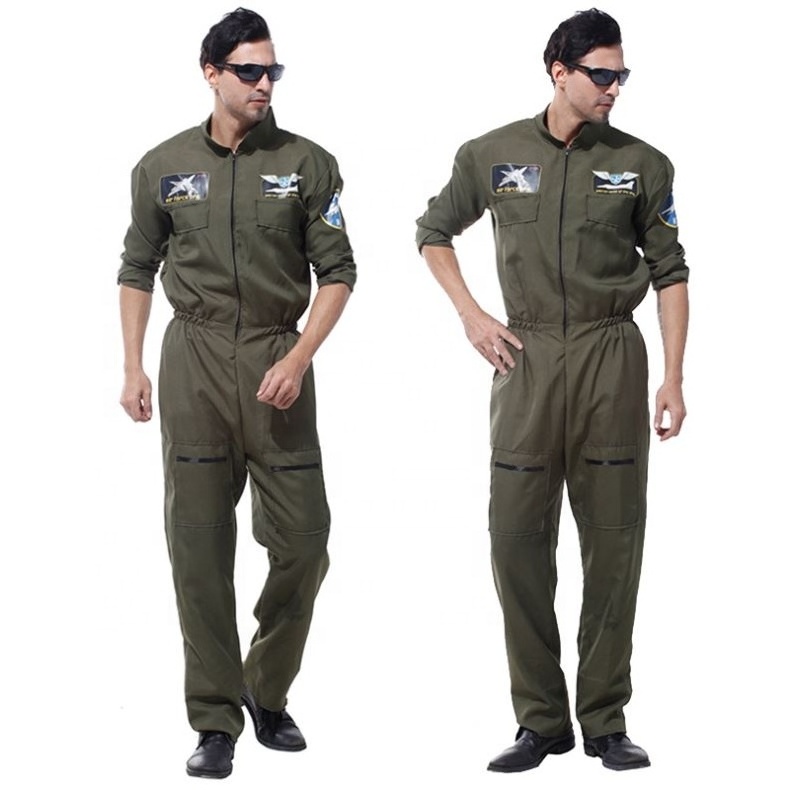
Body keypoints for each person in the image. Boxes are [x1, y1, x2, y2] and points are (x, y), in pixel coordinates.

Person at [416, 8, 688, 773]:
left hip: (611, 357)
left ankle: (604, 719)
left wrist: (673, 375)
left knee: (614, 544)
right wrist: (472, 316)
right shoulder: (492, 154)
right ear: (558, 71)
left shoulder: (642, 162)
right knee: (515, 542)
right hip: (526, 360)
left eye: (621, 76)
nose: (614, 89)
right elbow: (433, 232)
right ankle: (541, 720)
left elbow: (671, 270)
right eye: (601, 75)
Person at [118, 8, 356, 779]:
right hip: (193, 362)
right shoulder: (162, 166)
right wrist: (133, 366)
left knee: (305, 541)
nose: (264, 83)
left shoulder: (307, 163)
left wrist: (301, 356)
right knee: (199, 549)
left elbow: (339, 271)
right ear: (211, 73)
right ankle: (215, 719)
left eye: (272, 70)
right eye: (249, 70)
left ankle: (265, 684)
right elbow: (136, 267)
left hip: (277, 360)